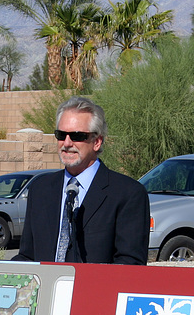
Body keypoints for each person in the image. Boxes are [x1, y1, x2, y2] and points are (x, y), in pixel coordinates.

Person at [13, 96, 149, 264]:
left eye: (77, 136)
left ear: (97, 142)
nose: (67, 143)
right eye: (61, 135)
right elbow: (27, 256)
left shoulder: (128, 194)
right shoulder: (40, 189)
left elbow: (130, 264)